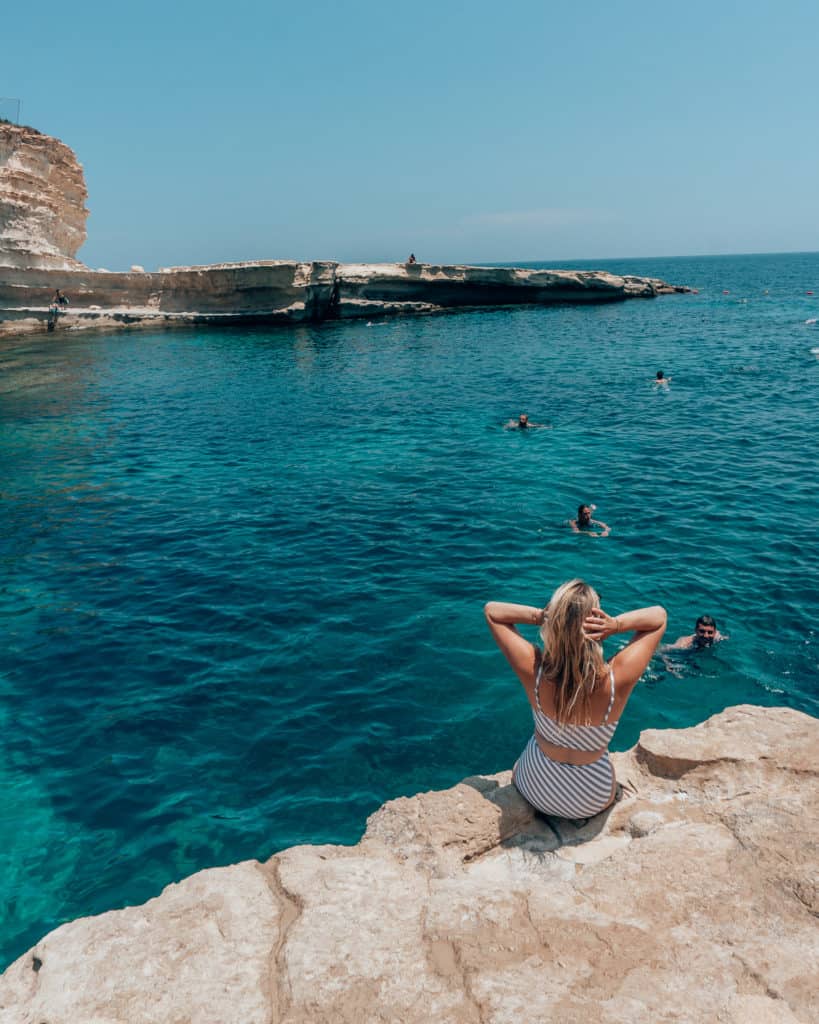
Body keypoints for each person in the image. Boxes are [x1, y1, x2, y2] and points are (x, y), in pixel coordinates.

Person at [484, 579, 667, 819]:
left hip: (533, 788)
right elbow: (659, 617)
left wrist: (543, 615)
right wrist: (615, 625)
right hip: (589, 802)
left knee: (522, 762)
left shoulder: (534, 670)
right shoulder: (616, 678)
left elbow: (492, 611)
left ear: (555, 624)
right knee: (611, 776)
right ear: (596, 622)